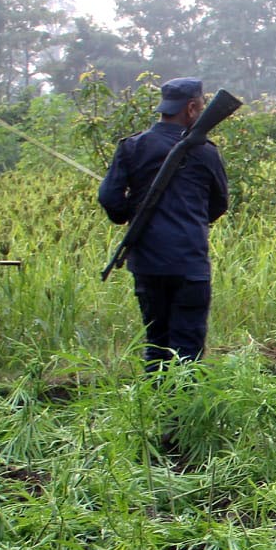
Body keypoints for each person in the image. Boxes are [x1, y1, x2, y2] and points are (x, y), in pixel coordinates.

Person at [98, 78, 229, 369]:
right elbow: (219, 204)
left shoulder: (132, 146)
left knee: (156, 345)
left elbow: (110, 198)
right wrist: (189, 220)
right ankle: (183, 413)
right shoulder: (206, 151)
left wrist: (133, 211)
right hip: (190, 264)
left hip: (147, 264)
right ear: (193, 108)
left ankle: (157, 409)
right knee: (187, 352)